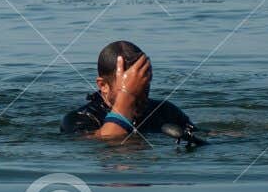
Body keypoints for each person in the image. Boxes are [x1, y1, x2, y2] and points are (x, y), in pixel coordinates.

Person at [61, 40, 196, 142]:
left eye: (143, 86)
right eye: (132, 86)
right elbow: (108, 140)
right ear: (103, 85)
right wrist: (127, 95)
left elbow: (204, 136)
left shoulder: (165, 111)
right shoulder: (78, 119)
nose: (138, 95)